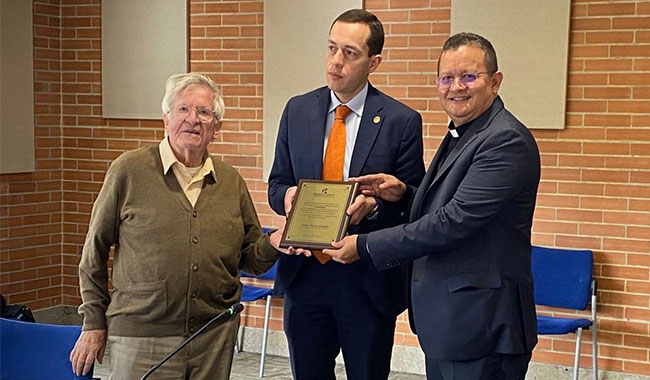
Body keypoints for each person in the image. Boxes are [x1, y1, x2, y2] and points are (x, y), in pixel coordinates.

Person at [324, 32, 541, 380]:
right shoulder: (465, 131)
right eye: (446, 78)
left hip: (482, 327)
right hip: (453, 324)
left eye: (469, 76)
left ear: (495, 82)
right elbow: (448, 204)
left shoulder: (504, 140)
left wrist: (364, 246)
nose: (456, 87)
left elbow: (452, 222)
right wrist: (402, 194)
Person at [69, 73, 286, 379]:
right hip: (142, 336)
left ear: (216, 128)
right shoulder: (128, 171)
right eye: (183, 109)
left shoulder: (230, 181)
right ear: (166, 119)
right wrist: (93, 322)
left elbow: (249, 258)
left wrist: (276, 241)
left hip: (214, 335)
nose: (192, 120)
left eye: (204, 112)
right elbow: (93, 253)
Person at [267, 9, 425, 380]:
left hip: (364, 278)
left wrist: (374, 205)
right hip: (305, 273)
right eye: (331, 48)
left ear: (374, 61)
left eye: (350, 53)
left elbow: (414, 200)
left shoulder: (401, 121)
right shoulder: (297, 110)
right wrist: (288, 196)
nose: (336, 62)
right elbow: (276, 184)